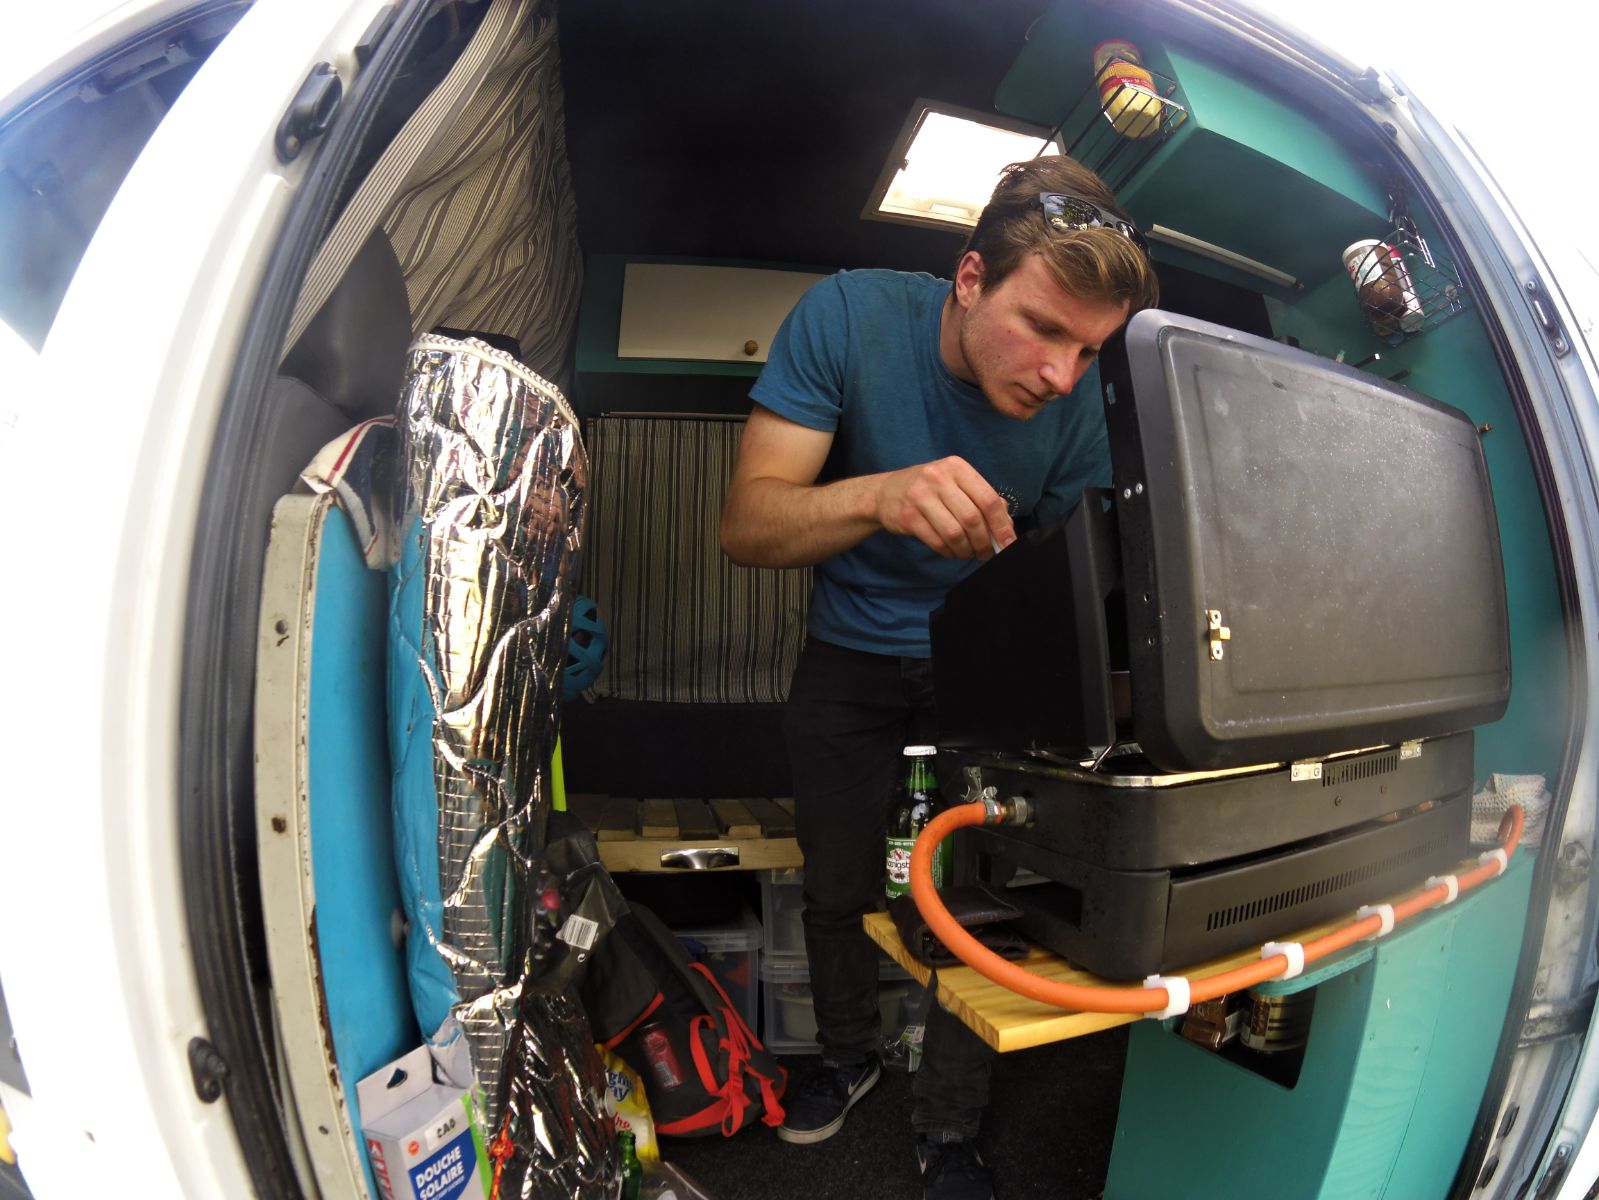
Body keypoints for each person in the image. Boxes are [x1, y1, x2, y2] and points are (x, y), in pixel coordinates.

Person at [719, 155, 1159, 1200]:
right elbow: (747, 524)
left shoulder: (1078, 403)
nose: (1060, 376)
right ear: (969, 279)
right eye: (1042, 329)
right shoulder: (848, 317)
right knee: (836, 883)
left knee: (975, 901)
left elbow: (1072, 577)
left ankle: (949, 1128)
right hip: (846, 655)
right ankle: (846, 1058)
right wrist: (878, 495)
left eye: (1087, 349)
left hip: (982, 668)